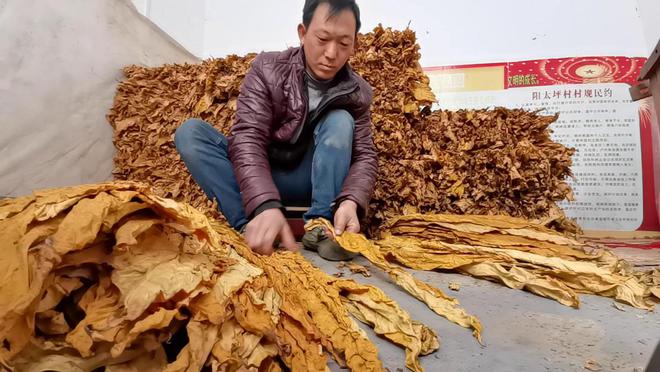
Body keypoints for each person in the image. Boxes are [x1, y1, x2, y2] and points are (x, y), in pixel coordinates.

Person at [174, 0, 377, 260]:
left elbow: (365, 156)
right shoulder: (268, 69)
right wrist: (263, 203)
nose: (331, 53)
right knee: (191, 134)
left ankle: (321, 227)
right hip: (263, 174)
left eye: (344, 44)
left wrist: (351, 201)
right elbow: (248, 137)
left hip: (312, 180)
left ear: (354, 44)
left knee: (340, 120)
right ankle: (248, 224)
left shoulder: (357, 91)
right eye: (322, 38)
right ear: (302, 33)